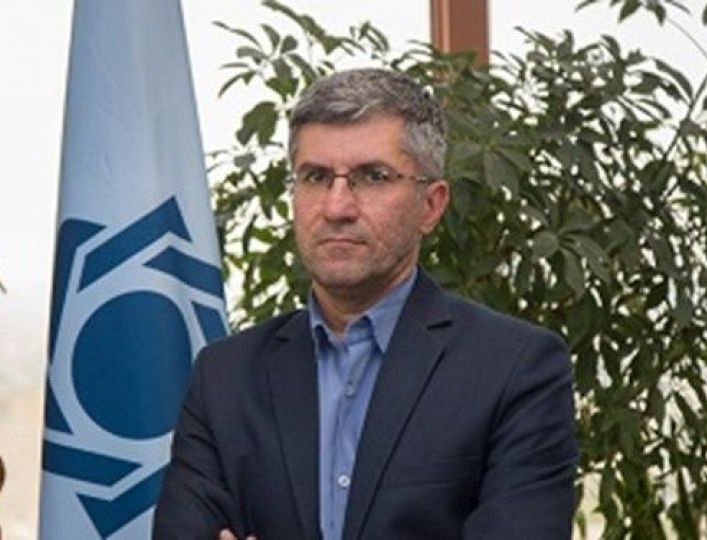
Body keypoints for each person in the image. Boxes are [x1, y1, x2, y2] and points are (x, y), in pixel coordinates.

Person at [153, 68, 577, 539]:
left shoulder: (514, 369)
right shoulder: (225, 376)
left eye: (372, 177)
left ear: (431, 205)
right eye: (316, 177)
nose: (337, 207)